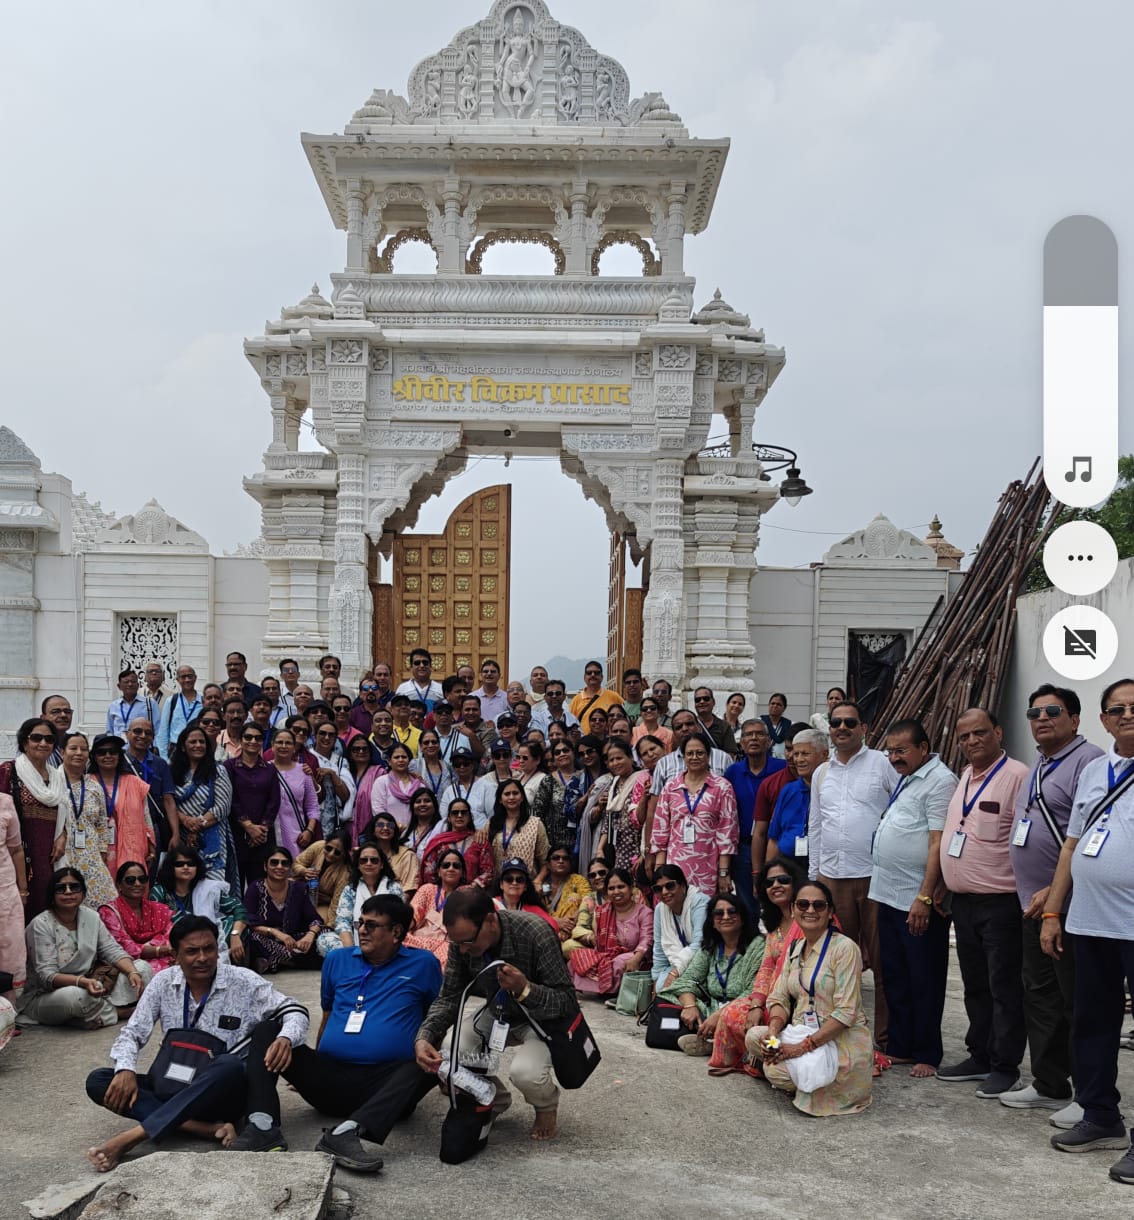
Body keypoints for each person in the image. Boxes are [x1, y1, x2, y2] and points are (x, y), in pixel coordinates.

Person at [84, 914, 309, 1170]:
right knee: (100, 1080)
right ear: (175, 955)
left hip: (221, 1093)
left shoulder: (242, 980)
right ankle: (201, 1129)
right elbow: (132, 1032)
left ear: (217, 948)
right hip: (172, 1083)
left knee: (230, 1065)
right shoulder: (163, 982)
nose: (202, 958)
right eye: (191, 951)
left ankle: (135, 1136)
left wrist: (285, 1037)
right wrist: (124, 1068)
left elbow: (294, 1009)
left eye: (209, 949)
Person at [237, 894, 440, 1169]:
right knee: (267, 1030)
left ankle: (347, 1132)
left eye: (372, 925)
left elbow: (433, 1020)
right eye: (360, 923)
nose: (362, 931)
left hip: (385, 1085)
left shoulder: (423, 964)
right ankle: (262, 1125)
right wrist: (312, 1065)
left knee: (427, 1062)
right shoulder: (337, 960)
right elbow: (328, 1015)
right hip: (331, 1078)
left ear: (396, 932)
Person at [1042, 678, 1134, 1181]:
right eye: (1116, 709)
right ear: (1103, 720)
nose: (1125, 715)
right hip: (1090, 922)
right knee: (1091, 1022)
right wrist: (1054, 913)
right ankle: (1099, 1114)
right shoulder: (1096, 771)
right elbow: (1071, 846)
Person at [1004, 684, 1103, 1124]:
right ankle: (1049, 1083)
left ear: (1075, 719)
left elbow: (1089, 836)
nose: (1041, 718)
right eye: (1034, 712)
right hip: (1032, 905)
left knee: (1075, 999)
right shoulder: (1039, 766)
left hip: (1068, 904)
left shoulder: (1091, 762)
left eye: (1052, 711)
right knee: (1039, 995)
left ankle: (1090, 1094)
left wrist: (1054, 892)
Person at [414, 887, 580, 1141]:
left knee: (526, 1072)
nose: (464, 950)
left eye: (468, 941)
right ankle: (494, 1098)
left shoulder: (536, 932)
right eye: (457, 943)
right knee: (452, 1051)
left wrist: (525, 989)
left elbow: (566, 1001)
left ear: (491, 920)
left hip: (540, 1020)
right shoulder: (462, 944)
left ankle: (546, 1105)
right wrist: (424, 1036)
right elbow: (450, 996)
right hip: (498, 1012)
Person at [936, 707, 1029, 1096]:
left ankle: (1005, 1065)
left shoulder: (1017, 777)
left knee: (1004, 986)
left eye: (979, 733)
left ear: (998, 732)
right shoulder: (965, 777)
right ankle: (980, 1055)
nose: (972, 741)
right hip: (964, 901)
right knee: (974, 984)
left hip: (1001, 903)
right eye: (964, 737)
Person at [870, 719, 957, 1078]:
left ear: (924, 747)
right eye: (890, 751)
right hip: (888, 893)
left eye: (901, 750)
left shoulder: (940, 781)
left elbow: (938, 842)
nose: (894, 758)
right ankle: (902, 1046)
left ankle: (927, 1053)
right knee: (895, 974)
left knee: (924, 977)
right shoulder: (909, 777)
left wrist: (924, 896)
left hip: (915, 898)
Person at [807, 700, 896, 1051]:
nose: (842, 728)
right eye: (836, 723)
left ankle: (885, 1039)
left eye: (849, 722)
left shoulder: (883, 765)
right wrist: (815, 879)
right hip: (832, 878)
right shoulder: (821, 772)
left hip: (875, 878)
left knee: (882, 960)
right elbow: (815, 824)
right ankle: (840, 1035)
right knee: (837, 963)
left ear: (864, 728)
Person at [750, 879, 873, 1116]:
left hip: (837, 1039)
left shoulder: (845, 949)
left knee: (774, 1071)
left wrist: (800, 1048)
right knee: (757, 1036)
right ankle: (786, 1065)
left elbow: (846, 1012)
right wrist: (774, 1031)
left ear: (830, 912)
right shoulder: (795, 948)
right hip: (800, 1032)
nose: (810, 910)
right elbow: (779, 997)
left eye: (818, 905)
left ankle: (795, 1075)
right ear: (794, 909)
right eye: (803, 904)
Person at [709, 858, 806, 1076]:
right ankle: (750, 1057)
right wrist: (756, 1004)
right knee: (734, 1014)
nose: (776, 886)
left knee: (762, 1029)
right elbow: (766, 969)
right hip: (775, 997)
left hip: (804, 998)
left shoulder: (809, 913)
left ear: (796, 883)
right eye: (769, 883)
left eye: (783, 880)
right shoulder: (774, 926)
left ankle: (763, 1059)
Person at [18, 868, 148, 1028]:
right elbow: (47, 977)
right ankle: (117, 1012)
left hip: (93, 985)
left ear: (83, 893)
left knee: (143, 968)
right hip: (48, 995)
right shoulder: (41, 924)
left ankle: (89, 1014)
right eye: (61, 888)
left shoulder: (91, 917)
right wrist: (82, 982)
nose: (68, 892)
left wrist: (131, 972)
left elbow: (111, 950)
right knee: (75, 996)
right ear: (52, 895)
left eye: (74, 887)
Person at [663, 892, 765, 1058]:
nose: (725, 917)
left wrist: (721, 1015)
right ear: (712, 922)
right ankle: (714, 1041)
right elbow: (686, 980)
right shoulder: (711, 947)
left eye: (732, 912)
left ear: (743, 917)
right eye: (719, 913)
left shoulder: (757, 946)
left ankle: (718, 1044)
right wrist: (690, 1006)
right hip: (712, 1009)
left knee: (746, 1013)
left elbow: (752, 991)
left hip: (742, 1010)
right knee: (675, 996)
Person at [651, 734, 739, 898]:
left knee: (703, 915)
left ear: (708, 755)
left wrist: (723, 872)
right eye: (690, 753)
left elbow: (727, 831)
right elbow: (660, 828)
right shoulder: (671, 786)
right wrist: (659, 867)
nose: (694, 757)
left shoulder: (722, 787)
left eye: (700, 753)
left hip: (708, 866)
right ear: (683, 757)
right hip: (674, 864)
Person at [0, 718, 67, 918]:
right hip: (18, 855)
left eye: (49, 739)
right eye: (36, 738)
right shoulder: (8, 771)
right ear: (24, 742)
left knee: (45, 908)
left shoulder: (58, 777)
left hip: (49, 856)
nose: (43, 743)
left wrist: (62, 836)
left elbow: (64, 814)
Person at [724, 719, 786, 919]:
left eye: (759, 734)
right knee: (747, 902)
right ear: (741, 742)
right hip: (743, 847)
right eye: (748, 735)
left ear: (768, 741)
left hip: (775, 844)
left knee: (777, 899)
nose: (754, 738)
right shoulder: (733, 772)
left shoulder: (782, 769)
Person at [150, 846, 248, 965]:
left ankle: (214, 960)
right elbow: (155, 923)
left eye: (191, 864)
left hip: (207, 937)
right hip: (175, 939)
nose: (186, 867)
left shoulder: (208, 889)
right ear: (170, 867)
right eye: (180, 864)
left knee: (234, 922)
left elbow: (238, 909)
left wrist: (235, 934)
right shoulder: (160, 891)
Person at [52, 732, 116, 910]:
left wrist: (102, 851)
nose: (79, 753)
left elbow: (102, 823)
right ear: (62, 753)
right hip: (61, 855)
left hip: (90, 856)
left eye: (84, 749)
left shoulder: (94, 786)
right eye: (73, 748)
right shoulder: (51, 782)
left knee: (104, 905)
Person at [170, 724, 238, 889]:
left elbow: (222, 807)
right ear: (183, 747)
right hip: (182, 837)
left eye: (202, 742)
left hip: (213, 838)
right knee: (184, 886)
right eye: (193, 742)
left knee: (213, 888)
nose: (198, 745)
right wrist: (185, 820)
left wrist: (197, 825)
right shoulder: (172, 772)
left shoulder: (218, 771)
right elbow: (167, 802)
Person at [566, 864, 651, 995]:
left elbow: (647, 940)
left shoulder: (644, 913)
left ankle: (613, 993)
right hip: (607, 954)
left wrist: (636, 958)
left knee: (617, 963)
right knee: (574, 961)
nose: (616, 892)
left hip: (636, 955)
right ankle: (602, 989)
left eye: (621, 887)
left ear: (631, 888)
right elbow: (599, 943)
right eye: (611, 888)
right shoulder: (602, 911)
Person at [89, 734, 156, 881]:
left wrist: (152, 846)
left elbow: (146, 817)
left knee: (131, 887)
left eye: (113, 752)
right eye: (102, 752)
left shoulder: (134, 782)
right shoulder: (86, 783)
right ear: (94, 756)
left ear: (120, 755)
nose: (108, 756)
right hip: (97, 848)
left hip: (131, 846)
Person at [244, 848, 322, 973]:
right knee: (253, 937)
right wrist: (275, 932)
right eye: (274, 862)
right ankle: (292, 960)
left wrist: (310, 935)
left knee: (324, 932)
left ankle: (276, 961)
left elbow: (314, 918)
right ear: (265, 866)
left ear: (290, 868)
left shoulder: (298, 889)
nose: (279, 867)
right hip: (267, 939)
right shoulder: (256, 888)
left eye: (284, 863)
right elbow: (248, 920)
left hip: (293, 940)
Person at [225, 721, 280, 884]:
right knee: (236, 882)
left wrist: (261, 830)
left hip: (263, 837)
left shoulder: (269, 769)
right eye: (248, 737)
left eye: (258, 738)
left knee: (262, 883)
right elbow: (230, 798)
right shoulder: (230, 766)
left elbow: (274, 800)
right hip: (237, 834)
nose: (253, 741)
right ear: (241, 740)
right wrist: (248, 826)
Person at [767, 729, 827, 875]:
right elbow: (774, 838)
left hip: (824, 869)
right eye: (796, 754)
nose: (798, 760)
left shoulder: (833, 791)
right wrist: (768, 875)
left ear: (824, 755)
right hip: (789, 869)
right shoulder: (789, 790)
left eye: (805, 754)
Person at [99, 861, 175, 974]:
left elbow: (173, 936)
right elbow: (124, 946)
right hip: (128, 964)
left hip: (166, 959)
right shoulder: (109, 912)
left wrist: (156, 948)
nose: (137, 884)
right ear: (119, 885)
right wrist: (163, 949)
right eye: (130, 880)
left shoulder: (159, 909)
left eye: (142, 879)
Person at [333, 842, 406, 951]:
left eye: (374, 860)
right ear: (358, 865)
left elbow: (399, 919)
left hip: (385, 939)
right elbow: (343, 921)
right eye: (363, 860)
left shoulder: (393, 888)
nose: (368, 863)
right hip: (356, 939)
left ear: (381, 865)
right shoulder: (351, 889)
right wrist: (350, 950)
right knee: (324, 940)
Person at [292, 830, 353, 956]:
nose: (331, 854)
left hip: (321, 902)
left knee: (318, 923)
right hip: (300, 893)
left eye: (337, 852)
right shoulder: (318, 846)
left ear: (344, 854)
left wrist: (329, 926)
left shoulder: (345, 871)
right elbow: (296, 863)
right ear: (325, 844)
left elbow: (336, 902)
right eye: (329, 848)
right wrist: (304, 871)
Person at [594, 738, 649, 873]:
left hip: (636, 847)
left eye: (619, 758)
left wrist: (645, 852)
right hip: (617, 849)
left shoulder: (642, 779)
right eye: (611, 760)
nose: (615, 763)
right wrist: (600, 848)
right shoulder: (614, 783)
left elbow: (649, 819)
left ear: (631, 758)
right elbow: (608, 821)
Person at [405, 848, 467, 967]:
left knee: (444, 960)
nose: (451, 868)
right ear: (438, 871)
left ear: (462, 872)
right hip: (418, 940)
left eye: (456, 866)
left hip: (448, 943)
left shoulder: (467, 893)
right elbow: (414, 913)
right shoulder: (427, 889)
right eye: (446, 865)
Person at [651, 864, 709, 989]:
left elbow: (700, 943)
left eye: (670, 886)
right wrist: (655, 980)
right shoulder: (660, 910)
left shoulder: (700, 902)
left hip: (703, 961)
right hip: (677, 962)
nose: (665, 892)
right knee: (661, 986)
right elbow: (659, 949)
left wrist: (675, 972)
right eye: (658, 889)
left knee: (673, 987)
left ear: (683, 886)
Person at [269, 727, 321, 859]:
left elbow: (313, 807)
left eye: (288, 743)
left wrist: (309, 830)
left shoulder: (303, 771)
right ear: (272, 746)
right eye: (279, 742)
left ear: (294, 747)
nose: (283, 746)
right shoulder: (264, 770)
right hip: (270, 834)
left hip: (297, 835)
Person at [487, 778, 549, 884]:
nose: (511, 797)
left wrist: (538, 881)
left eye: (515, 793)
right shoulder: (492, 824)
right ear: (500, 800)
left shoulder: (536, 824)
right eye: (507, 794)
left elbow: (545, 862)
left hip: (527, 884)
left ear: (522, 797)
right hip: (499, 884)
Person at [421, 798, 493, 888]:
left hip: (472, 894)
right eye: (455, 813)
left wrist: (471, 887)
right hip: (442, 894)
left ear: (469, 817)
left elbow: (488, 872)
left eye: (464, 812)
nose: (459, 815)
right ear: (449, 818)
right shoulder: (438, 843)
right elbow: (429, 873)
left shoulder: (480, 841)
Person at [1, 785, 29, 999]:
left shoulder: (5, 802)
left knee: (9, 948)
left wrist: (23, 890)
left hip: (5, 890)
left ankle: (7, 1013)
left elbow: (17, 849)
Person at [311, 722, 356, 839]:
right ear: (314, 735)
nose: (326, 738)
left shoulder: (341, 762)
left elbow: (346, 796)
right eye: (322, 733)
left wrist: (332, 774)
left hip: (333, 819)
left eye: (331, 735)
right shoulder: (307, 758)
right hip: (310, 817)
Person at [492, 857, 560, 931]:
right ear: (501, 884)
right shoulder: (490, 905)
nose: (514, 883)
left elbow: (553, 926)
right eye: (509, 879)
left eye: (520, 880)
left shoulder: (532, 910)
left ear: (525, 887)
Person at [367, 742, 422, 833]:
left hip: (415, 833)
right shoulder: (382, 782)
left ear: (409, 760)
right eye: (396, 757)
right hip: (389, 832)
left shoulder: (418, 784)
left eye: (404, 757)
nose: (400, 760)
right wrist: (395, 827)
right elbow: (378, 810)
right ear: (389, 761)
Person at [155, 667, 202, 759]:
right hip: (176, 749)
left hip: (197, 747)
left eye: (190, 676)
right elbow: (163, 731)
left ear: (195, 678)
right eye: (183, 677)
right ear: (178, 680)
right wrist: (164, 758)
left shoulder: (203, 702)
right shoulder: (172, 701)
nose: (187, 680)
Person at [569, 661, 623, 735]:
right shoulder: (576, 700)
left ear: (602, 677)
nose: (593, 675)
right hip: (584, 743)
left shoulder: (614, 696)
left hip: (608, 741)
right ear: (584, 677)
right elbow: (570, 725)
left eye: (596, 673)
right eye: (589, 673)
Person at [106, 669, 159, 738]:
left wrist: (155, 746)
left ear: (138, 685)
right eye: (126, 682)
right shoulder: (113, 706)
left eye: (133, 682)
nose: (130, 684)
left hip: (142, 745)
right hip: (119, 746)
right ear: (119, 686)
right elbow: (110, 730)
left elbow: (158, 728)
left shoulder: (150, 703)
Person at [692, 687, 739, 757]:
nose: (702, 702)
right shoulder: (689, 725)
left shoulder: (724, 726)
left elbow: (730, 755)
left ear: (713, 702)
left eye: (706, 699)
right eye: (698, 700)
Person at [404, 788, 443, 858]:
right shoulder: (407, 832)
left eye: (427, 801)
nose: (422, 804)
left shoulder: (442, 827)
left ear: (435, 805)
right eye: (418, 801)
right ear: (412, 807)